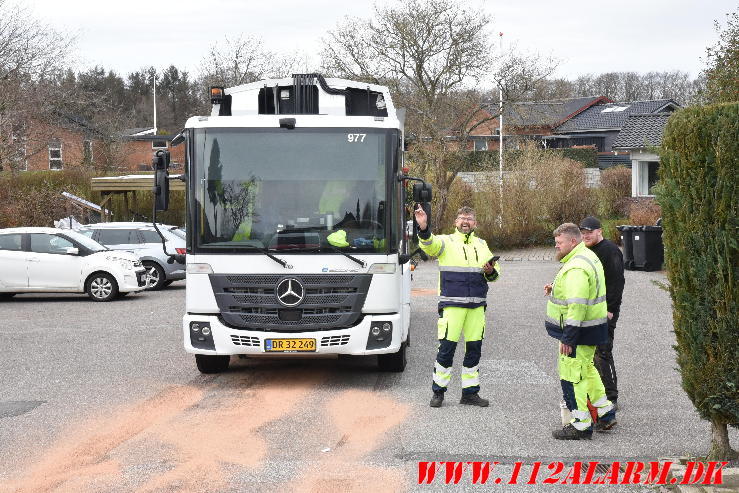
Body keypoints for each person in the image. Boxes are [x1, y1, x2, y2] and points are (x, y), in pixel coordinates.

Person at [414, 205, 500, 408]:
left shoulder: (481, 244)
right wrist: (424, 227)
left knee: (474, 351)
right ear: (455, 222)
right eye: (462, 218)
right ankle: (438, 393)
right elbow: (429, 245)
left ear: (475, 223)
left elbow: (495, 274)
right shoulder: (446, 241)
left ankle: (470, 393)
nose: (465, 221)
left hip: (477, 307)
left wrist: (490, 270)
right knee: (446, 350)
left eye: (469, 218)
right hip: (452, 306)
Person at [544, 223, 616, 439]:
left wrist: (569, 338)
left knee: (572, 376)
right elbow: (580, 294)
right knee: (588, 369)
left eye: (559, 243)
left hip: (577, 332)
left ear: (572, 241)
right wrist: (555, 288)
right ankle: (605, 413)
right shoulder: (587, 257)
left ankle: (581, 425)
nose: (556, 247)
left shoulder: (576, 267)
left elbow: (577, 305)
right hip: (591, 329)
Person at [579, 216, 625, 410]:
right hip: (589, 311)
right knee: (591, 353)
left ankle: (611, 397)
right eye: (583, 232)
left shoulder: (610, 250)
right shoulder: (584, 250)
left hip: (605, 311)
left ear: (600, 231)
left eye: (590, 232)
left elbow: (617, 282)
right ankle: (596, 394)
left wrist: (611, 310)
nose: (586, 235)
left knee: (603, 352)